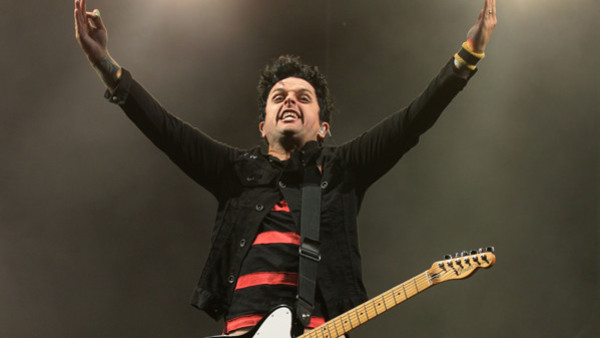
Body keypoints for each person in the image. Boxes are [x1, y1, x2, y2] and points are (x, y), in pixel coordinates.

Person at [74, 0, 497, 336]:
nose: (289, 100)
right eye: (279, 97)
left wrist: (467, 57)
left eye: (303, 96)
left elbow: (412, 121)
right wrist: (105, 66)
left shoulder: (343, 169)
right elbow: (166, 130)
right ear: (263, 126)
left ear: (324, 127)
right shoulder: (235, 172)